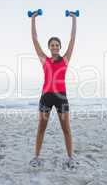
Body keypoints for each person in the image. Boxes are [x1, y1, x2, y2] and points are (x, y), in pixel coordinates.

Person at [29, 10, 77, 168]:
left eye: (57, 45)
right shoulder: (44, 59)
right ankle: (36, 157)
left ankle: (70, 158)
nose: (55, 47)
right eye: (52, 45)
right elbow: (34, 39)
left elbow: (72, 39)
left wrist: (73, 18)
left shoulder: (65, 59)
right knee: (41, 128)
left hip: (61, 97)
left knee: (66, 129)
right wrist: (33, 18)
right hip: (46, 97)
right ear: (49, 47)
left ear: (60, 47)